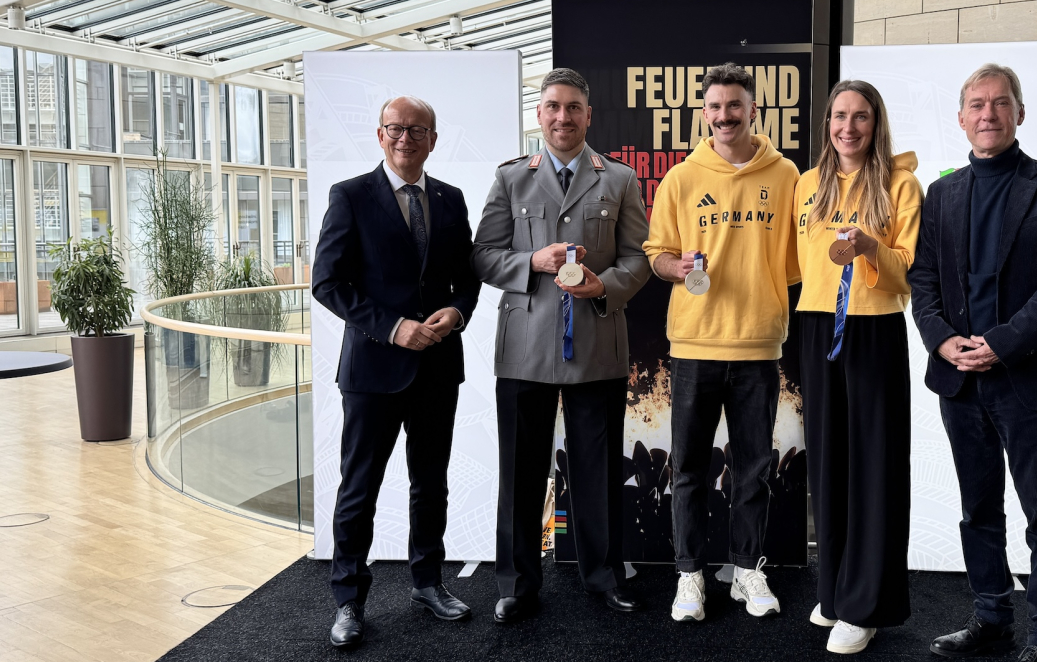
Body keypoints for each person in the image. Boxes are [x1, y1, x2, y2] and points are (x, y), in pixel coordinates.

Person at [908, 64, 1037, 662]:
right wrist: (941, 341)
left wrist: (1003, 342)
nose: (988, 114)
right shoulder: (942, 194)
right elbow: (924, 278)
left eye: (1000, 103)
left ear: (1018, 113)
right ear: (961, 118)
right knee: (976, 509)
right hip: (960, 381)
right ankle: (991, 618)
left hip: (1027, 378)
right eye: (977, 105)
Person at [472, 68, 652, 623]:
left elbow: (639, 259)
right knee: (520, 472)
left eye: (573, 108)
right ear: (539, 114)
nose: (562, 117)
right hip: (526, 347)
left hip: (596, 342)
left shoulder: (618, 179)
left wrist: (607, 286)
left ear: (588, 115)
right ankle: (517, 584)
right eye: (552, 107)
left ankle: (603, 577)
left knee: (598, 471)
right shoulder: (511, 179)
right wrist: (532, 261)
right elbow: (482, 255)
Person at [311, 95, 482, 648]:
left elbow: (469, 278)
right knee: (359, 488)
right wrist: (391, 327)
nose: (405, 137)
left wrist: (457, 312)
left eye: (417, 129)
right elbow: (328, 283)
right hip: (372, 371)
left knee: (430, 485)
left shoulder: (451, 199)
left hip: (437, 367)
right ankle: (348, 600)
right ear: (379, 135)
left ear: (432, 139)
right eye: (395, 128)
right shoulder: (351, 196)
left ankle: (427, 583)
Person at [643, 62, 801, 623]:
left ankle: (747, 570)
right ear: (703, 113)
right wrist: (674, 264)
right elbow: (655, 254)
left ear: (753, 109)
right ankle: (689, 576)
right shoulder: (682, 179)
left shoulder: (786, 176)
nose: (724, 115)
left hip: (760, 345)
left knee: (754, 467)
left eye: (734, 105)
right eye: (714, 107)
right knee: (687, 468)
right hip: (693, 345)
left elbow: (798, 261)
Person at [793, 80, 921, 654]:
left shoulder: (901, 184)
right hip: (818, 326)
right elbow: (794, 265)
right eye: (840, 116)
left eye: (861, 117)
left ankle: (866, 604)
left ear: (876, 123)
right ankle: (836, 588)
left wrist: (870, 246)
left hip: (873, 329)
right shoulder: (806, 185)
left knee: (874, 465)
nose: (849, 127)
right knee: (828, 461)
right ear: (828, 124)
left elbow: (908, 272)